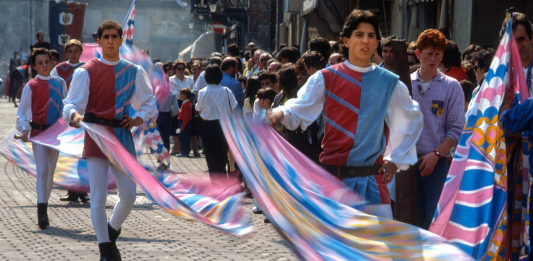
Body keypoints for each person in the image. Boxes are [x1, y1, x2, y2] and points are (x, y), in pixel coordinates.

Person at [270, 10, 423, 217]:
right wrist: (279, 114)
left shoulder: (389, 83)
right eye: (359, 35)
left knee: (375, 247)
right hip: (334, 183)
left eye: (371, 35)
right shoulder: (326, 78)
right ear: (346, 41)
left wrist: (395, 158)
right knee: (333, 248)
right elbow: (299, 107)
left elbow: (411, 119)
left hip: (373, 185)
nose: (365, 41)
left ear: (377, 41)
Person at [63, 20, 157, 260]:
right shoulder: (86, 71)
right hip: (96, 136)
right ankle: (105, 250)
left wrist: (139, 118)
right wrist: (73, 115)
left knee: (129, 196)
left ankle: (111, 232)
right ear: (99, 41)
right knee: (98, 196)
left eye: (115, 36)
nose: (111, 41)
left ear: (121, 39)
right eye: (106, 37)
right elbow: (71, 103)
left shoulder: (133, 71)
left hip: (121, 138)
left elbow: (148, 101)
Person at [411, 29, 465, 229]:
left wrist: (436, 154)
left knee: (435, 222)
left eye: (438, 54)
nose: (433, 59)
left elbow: (456, 128)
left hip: (438, 162)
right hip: (408, 162)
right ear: (418, 54)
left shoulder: (452, 87)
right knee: (410, 220)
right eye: (429, 54)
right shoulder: (405, 84)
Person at [16, 48, 67, 230]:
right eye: (40, 63)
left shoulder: (60, 83)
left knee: (50, 173)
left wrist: (74, 123)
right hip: (38, 134)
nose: (45, 65)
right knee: (43, 170)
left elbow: (66, 108)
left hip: (56, 134)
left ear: (52, 62)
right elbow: (21, 115)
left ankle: (44, 204)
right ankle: (42, 212)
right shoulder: (31, 86)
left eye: (47, 61)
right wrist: (24, 129)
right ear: (35, 66)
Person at [51, 39, 90, 202]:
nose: (73, 54)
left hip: (84, 117)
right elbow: (51, 89)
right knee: (68, 155)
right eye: (70, 51)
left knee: (83, 155)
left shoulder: (88, 68)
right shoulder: (59, 69)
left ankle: (83, 190)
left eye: (76, 51)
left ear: (81, 52)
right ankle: (72, 190)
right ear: (66, 53)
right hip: (65, 118)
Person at [196, 65, 238, 181]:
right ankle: (224, 183)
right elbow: (234, 109)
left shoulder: (202, 92)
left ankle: (216, 187)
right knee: (222, 158)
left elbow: (199, 109)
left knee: (211, 159)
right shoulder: (226, 91)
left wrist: (206, 116)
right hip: (224, 127)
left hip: (208, 127)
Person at [169, 59, 194, 155]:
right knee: (176, 126)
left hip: (187, 104)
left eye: (183, 68)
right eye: (179, 68)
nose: (181, 70)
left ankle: (186, 147)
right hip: (176, 104)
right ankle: (177, 146)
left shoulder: (189, 79)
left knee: (186, 126)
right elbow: (171, 93)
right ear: (175, 69)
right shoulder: (171, 80)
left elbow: (192, 91)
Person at [177, 88, 193, 157]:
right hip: (182, 122)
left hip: (183, 123)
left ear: (186, 95)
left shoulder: (186, 104)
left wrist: (183, 125)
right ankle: (183, 150)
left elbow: (186, 117)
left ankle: (185, 152)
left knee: (184, 138)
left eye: (181, 94)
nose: (180, 96)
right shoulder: (185, 103)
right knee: (181, 137)